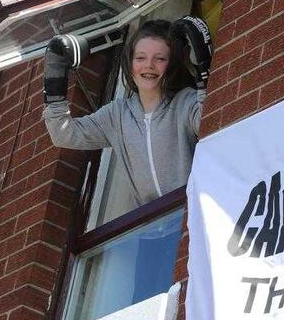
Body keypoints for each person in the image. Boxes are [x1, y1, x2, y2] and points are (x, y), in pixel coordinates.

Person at [41, 17, 213, 205]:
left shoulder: (186, 101)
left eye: (160, 58)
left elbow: (211, 121)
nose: (149, 65)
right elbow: (63, 134)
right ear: (130, 65)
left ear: (171, 65)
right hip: (151, 227)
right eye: (140, 58)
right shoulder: (117, 115)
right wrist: (54, 80)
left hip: (195, 213)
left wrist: (204, 69)